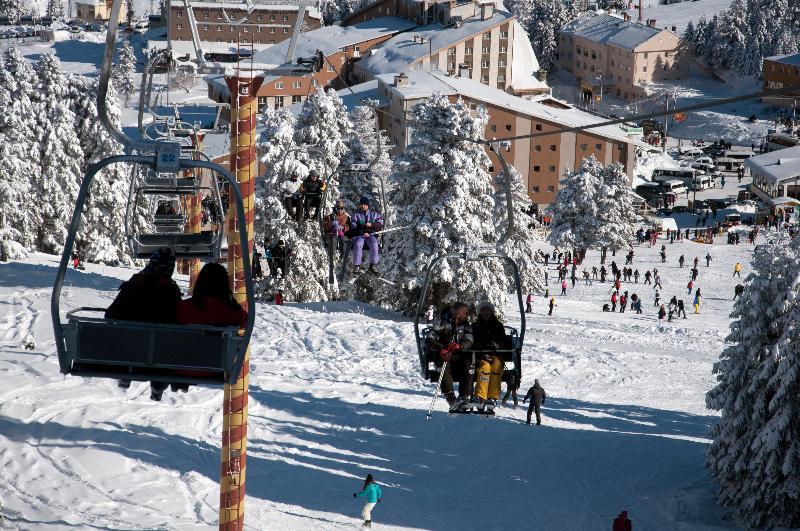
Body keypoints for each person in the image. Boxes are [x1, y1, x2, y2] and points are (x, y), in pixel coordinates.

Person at [106, 248, 182, 401]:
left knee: (131, 341)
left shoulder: (134, 284)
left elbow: (110, 314)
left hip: (129, 349)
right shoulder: (170, 291)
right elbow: (178, 321)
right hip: (159, 356)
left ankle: (126, 371)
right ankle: (158, 385)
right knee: (167, 345)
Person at [426, 302, 474, 408]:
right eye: (465, 313)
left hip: (458, 355)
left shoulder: (465, 325)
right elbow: (430, 338)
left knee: (468, 364)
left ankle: (464, 396)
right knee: (444, 364)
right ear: (457, 313)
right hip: (443, 355)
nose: (467, 316)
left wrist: (460, 346)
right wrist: (441, 348)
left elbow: (469, 340)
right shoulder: (441, 323)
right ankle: (450, 397)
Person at [471, 301, 509, 411]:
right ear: (480, 312)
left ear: (491, 311)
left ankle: (492, 396)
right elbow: (472, 342)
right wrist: (481, 350)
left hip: (495, 355)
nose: (485, 312)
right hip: (480, 356)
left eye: (488, 310)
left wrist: (497, 345)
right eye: (483, 310)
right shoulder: (475, 326)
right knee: (485, 367)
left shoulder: (498, 326)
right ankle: (480, 396)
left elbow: (503, 341)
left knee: (496, 366)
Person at [350, 197, 384, 275]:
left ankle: (372, 265)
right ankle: (357, 266)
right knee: (358, 245)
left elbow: (379, 225)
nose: (363, 206)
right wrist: (361, 230)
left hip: (370, 235)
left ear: (367, 205)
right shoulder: (356, 215)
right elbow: (353, 227)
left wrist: (372, 225)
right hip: (360, 235)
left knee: (375, 245)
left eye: (365, 204)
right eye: (361, 204)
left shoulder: (374, 215)